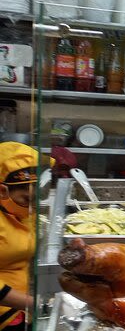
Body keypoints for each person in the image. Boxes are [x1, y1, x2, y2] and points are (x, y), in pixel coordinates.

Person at [0, 142, 51, 331]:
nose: (33, 207)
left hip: (22, 306)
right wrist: (32, 303)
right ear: (2, 191)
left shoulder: (20, 212)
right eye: (27, 200)